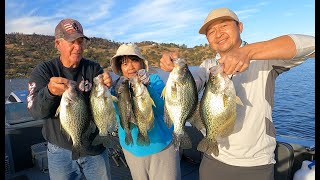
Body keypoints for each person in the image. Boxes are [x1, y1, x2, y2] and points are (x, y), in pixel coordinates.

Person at [159, 7, 315, 180]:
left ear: (240, 27)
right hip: (212, 157)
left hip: (254, 164)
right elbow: (191, 82)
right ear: (208, 39)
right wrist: (178, 69)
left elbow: (311, 46)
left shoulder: (264, 60)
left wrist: (247, 52)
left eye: (224, 25)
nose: (218, 34)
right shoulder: (208, 65)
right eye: (211, 31)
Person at [26, 18, 112, 180]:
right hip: (59, 151)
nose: (78, 47)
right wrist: (50, 92)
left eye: (81, 41)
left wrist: (107, 85)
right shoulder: (44, 71)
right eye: (72, 41)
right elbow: (35, 112)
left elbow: (103, 107)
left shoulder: (93, 68)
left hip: (93, 147)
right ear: (58, 44)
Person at [107, 43, 181, 180]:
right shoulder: (117, 88)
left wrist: (148, 87)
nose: (130, 67)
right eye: (124, 63)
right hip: (131, 148)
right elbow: (117, 114)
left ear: (142, 63)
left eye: (134, 60)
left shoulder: (155, 80)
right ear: (120, 68)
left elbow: (161, 109)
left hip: (162, 146)